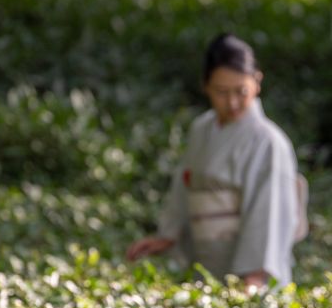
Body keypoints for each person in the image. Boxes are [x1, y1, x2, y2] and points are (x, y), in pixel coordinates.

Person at [126, 34, 307, 287]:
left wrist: (255, 276)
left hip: (249, 275)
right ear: (206, 86)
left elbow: (269, 212)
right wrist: (168, 236)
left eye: (241, 92)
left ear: (257, 82)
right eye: (222, 92)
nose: (232, 102)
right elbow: (185, 187)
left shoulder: (268, 142)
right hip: (206, 262)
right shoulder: (201, 129)